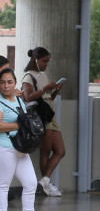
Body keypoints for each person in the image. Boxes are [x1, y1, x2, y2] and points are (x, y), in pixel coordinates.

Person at [0, 67, 44, 211]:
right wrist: (20, 125)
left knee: (31, 183)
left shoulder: (18, 100)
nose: (6, 86)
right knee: (3, 185)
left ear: (15, 84)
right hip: (5, 147)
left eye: (9, 82)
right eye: (2, 82)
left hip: (21, 148)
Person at [20, 47, 63, 197]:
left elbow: (49, 98)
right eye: (44, 61)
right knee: (46, 150)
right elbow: (27, 97)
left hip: (49, 113)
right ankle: (46, 184)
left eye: (47, 61)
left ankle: (45, 181)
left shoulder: (43, 75)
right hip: (41, 116)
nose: (46, 64)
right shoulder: (28, 76)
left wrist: (55, 90)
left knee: (60, 150)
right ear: (35, 60)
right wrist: (45, 88)